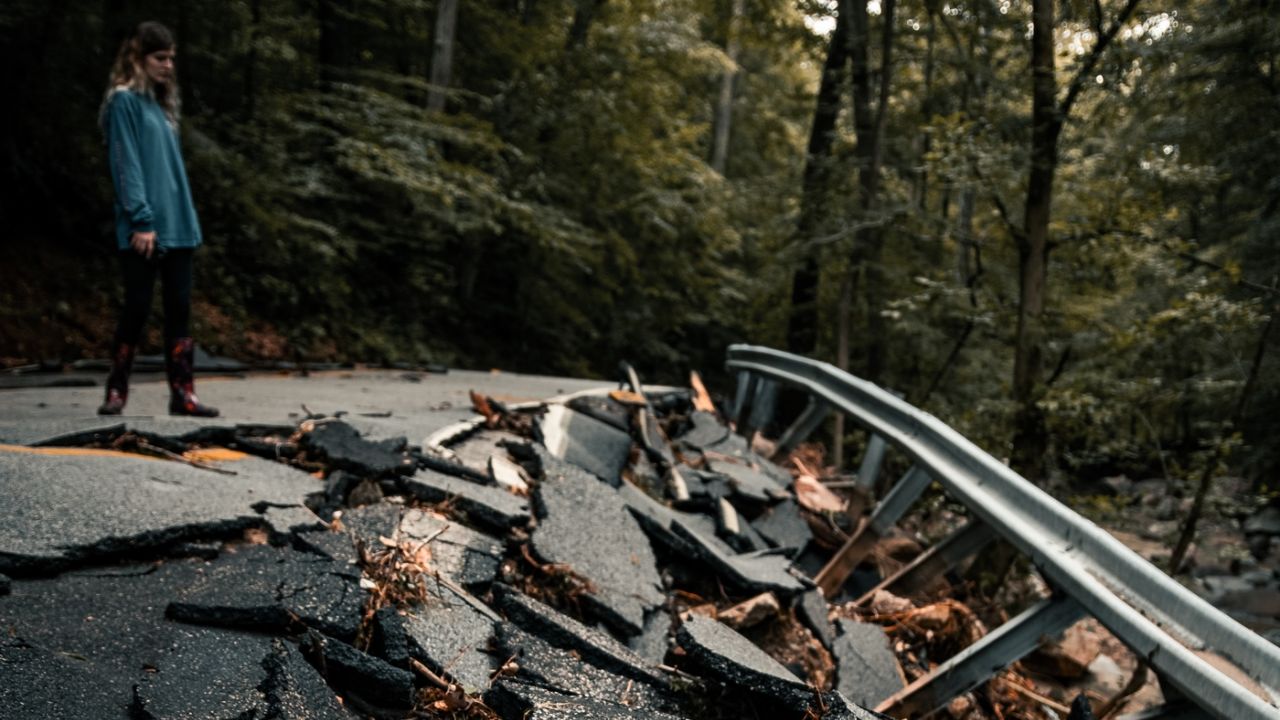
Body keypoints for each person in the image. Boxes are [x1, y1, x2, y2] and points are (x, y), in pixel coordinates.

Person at [98, 21, 217, 417]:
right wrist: (141, 219)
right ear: (139, 58)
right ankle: (116, 389)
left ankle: (183, 394)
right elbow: (125, 163)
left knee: (179, 309)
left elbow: (170, 172)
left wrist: (187, 222)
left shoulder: (163, 107)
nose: (168, 65)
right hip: (144, 227)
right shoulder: (123, 101)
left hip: (179, 225)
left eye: (171, 58)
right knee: (136, 307)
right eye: (159, 58)